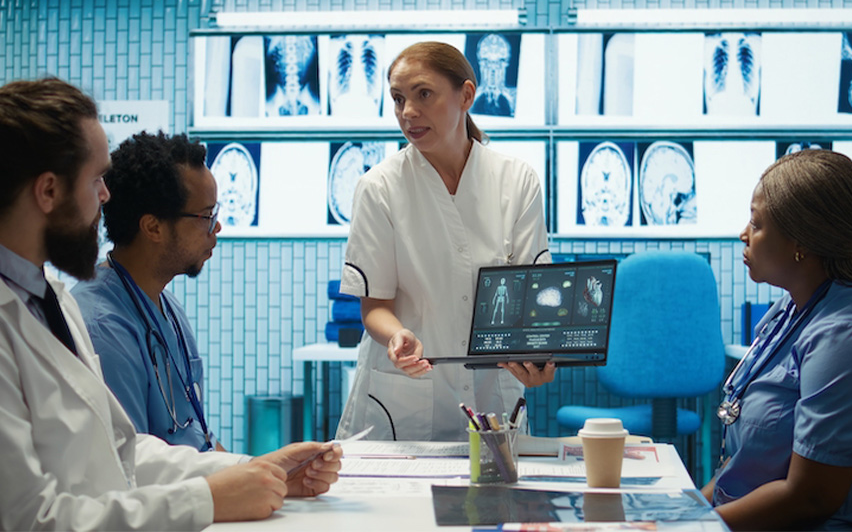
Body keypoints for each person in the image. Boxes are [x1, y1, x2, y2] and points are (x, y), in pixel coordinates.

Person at [0, 77, 341, 530]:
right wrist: (206, 499)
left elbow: (120, 451)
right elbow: (28, 519)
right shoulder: (82, 319)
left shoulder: (49, 300)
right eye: (96, 179)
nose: (106, 196)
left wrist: (254, 468)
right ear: (48, 191)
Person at [337, 41, 555, 442]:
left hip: (492, 391)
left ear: (466, 96)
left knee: (496, 484)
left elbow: (530, 301)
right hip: (405, 397)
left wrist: (536, 358)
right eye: (398, 98)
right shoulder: (379, 187)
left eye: (424, 94)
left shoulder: (517, 181)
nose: (408, 112)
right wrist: (396, 336)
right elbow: (375, 306)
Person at [703, 149, 852, 530]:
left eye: (756, 223)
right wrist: (681, 514)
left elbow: (809, 497)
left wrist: (690, 527)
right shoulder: (794, 308)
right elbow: (738, 471)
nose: (744, 234)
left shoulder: (851, 338)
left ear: (801, 243)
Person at [72, 131, 224, 452]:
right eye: (206, 217)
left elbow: (198, 437)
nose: (217, 228)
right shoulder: (102, 330)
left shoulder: (167, 308)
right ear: (153, 227)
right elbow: (129, 465)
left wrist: (266, 468)